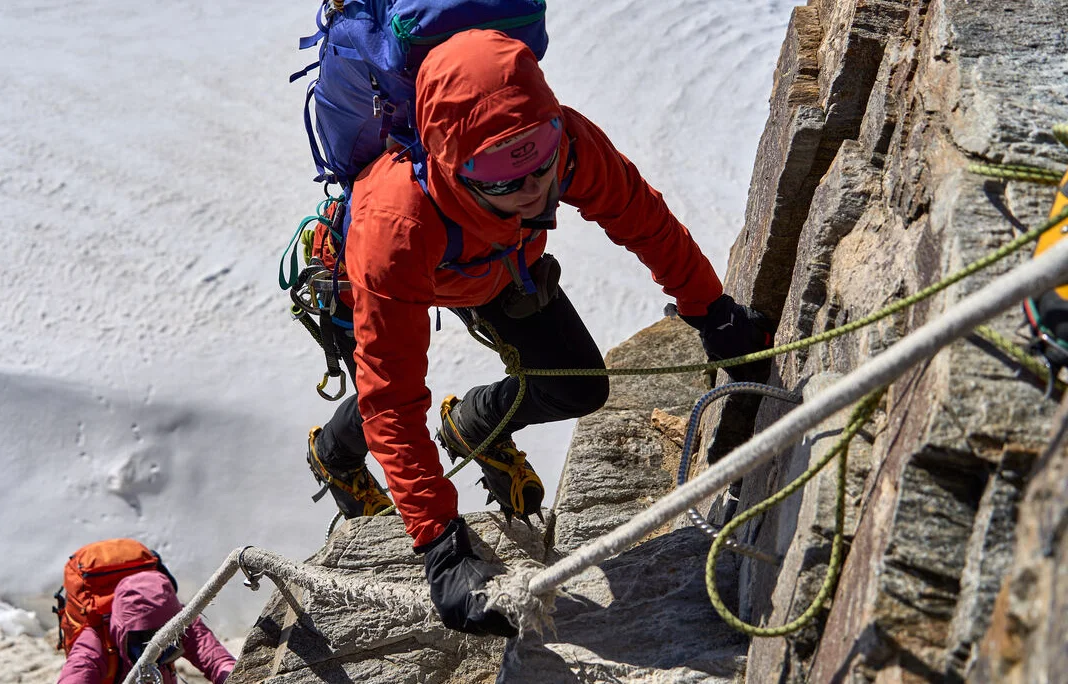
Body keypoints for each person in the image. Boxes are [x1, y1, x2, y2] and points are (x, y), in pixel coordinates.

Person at [303, 29, 773, 637]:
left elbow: (641, 216)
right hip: (375, 279)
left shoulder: (564, 143)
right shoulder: (394, 225)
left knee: (579, 388)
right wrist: (441, 543)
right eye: (500, 173)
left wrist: (712, 311)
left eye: (537, 158)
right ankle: (334, 455)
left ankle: (471, 424)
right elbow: (391, 397)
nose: (530, 188)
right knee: (381, 397)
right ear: (449, 164)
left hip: (498, 270)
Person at [57, 571, 236, 684]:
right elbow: (76, 675)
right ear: (122, 630)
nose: (154, 645)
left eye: (163, 633)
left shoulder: (183, 624)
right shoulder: (95, 642)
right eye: (143, 636)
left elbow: (218, 662)